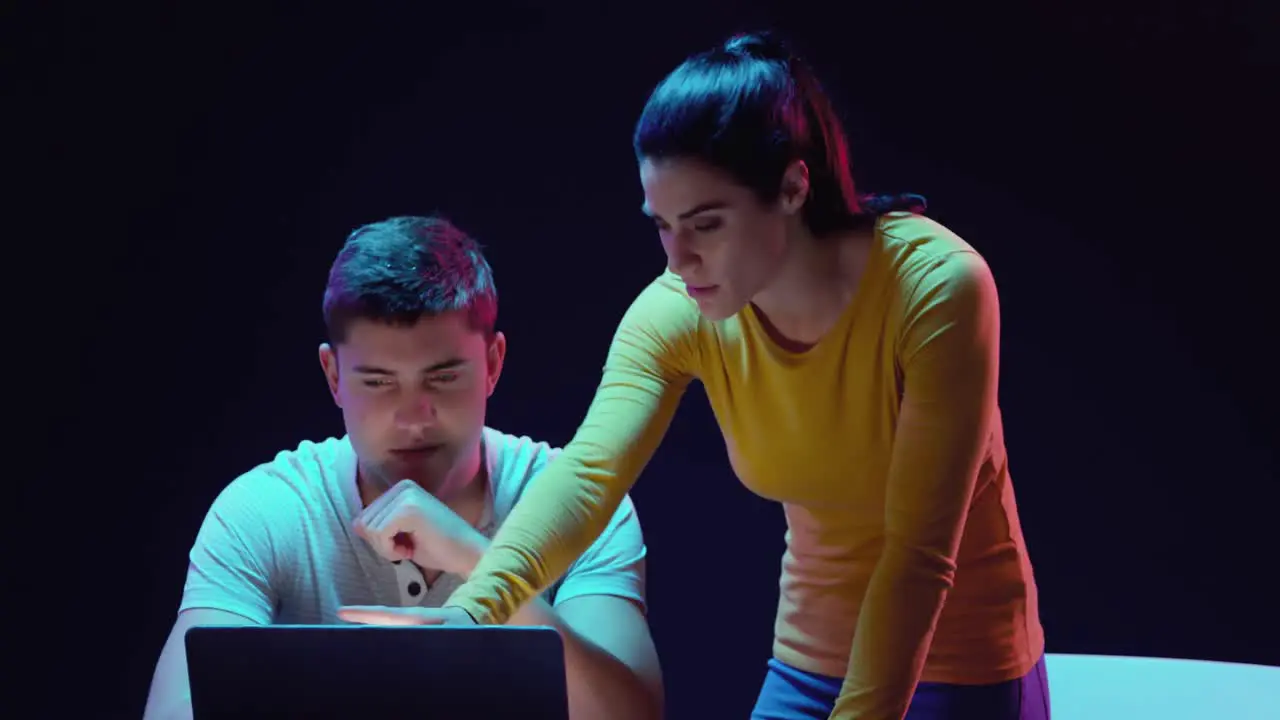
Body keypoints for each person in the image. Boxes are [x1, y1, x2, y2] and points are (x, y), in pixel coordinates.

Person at [385, 31, 1053, 720]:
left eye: (706, 224)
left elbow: (916, 553)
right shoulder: (679, 310)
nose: (679, 259)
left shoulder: (937, 289)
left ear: (794, 186)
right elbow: (587, 476)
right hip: (809, 662)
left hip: (965, 666)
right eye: (663, 226)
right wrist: (468, 618)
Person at [141, 216, 664, 720]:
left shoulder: (584, 507)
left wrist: (479, 562)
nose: (414, 417)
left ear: (493, 364)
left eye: (441, 378)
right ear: (333, 375)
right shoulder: (263, 511)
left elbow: (631, 715)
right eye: (378, 382)